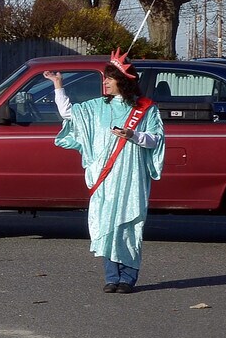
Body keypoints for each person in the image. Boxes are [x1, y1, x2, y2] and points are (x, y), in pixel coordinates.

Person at [47, 49, 165, 293]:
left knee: (129, 225)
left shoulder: (146, 109)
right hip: (105, 179)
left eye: (109, 79)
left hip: (132, 177)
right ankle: (112, 277)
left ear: (122, 81)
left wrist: (133, 135)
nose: (105, 83)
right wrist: (58, 85)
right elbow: (68, 113)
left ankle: (128, 278)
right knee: (106, 224)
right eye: (105, 78)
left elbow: (156, 139)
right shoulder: (96, 107)